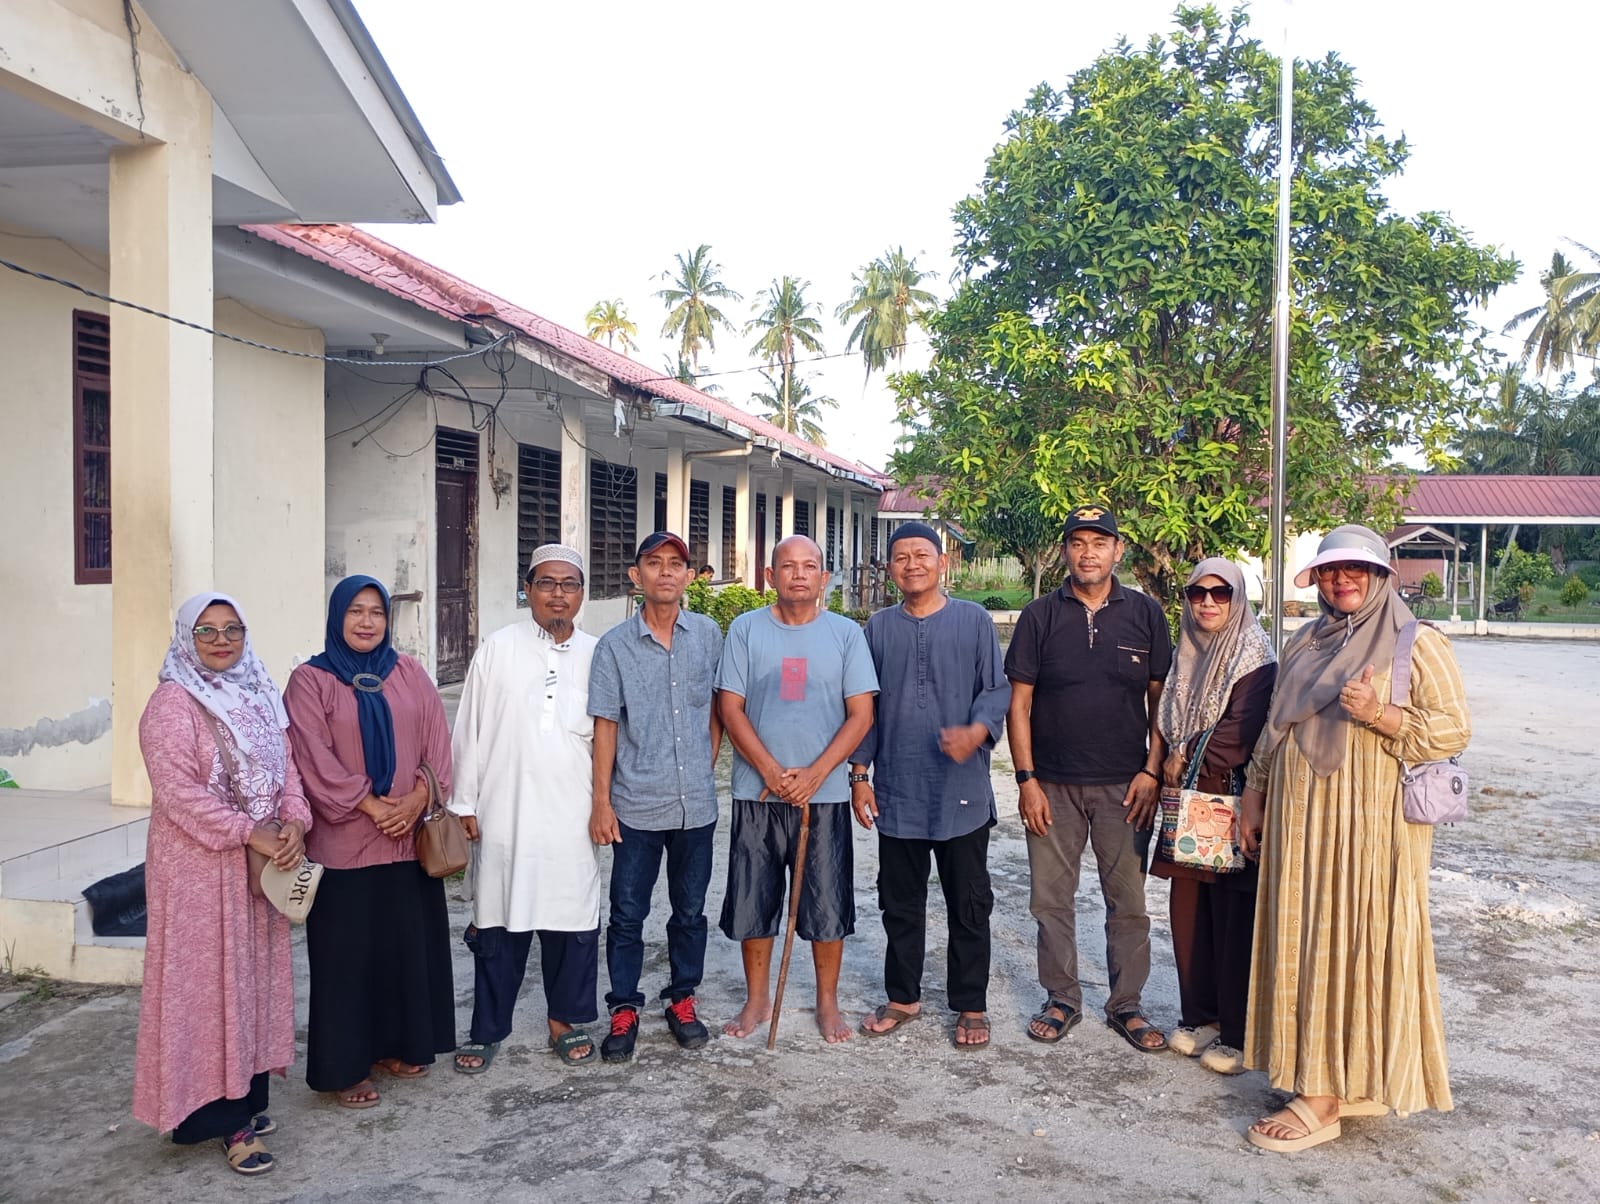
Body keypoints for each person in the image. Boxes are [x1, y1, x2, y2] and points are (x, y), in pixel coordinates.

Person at [1241, 524, 1470, 1152]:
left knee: (1360, 937)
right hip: (1299, 822)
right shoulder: (1304, 640)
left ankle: (1323, 1096)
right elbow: (1275, 725)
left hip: (1372, 829)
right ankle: (1331, 1077)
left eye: (1356, 570)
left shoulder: (1415, 642)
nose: (1342, 580)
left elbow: (1453, 730)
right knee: (1307, 935)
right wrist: (1254, 795)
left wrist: (1379, 713)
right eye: (1330, 570)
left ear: (1381, 577)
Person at [133, 593, 310, 1175]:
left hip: (259, 868)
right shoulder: (172, 702)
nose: (220, 640)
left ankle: (248, 1098)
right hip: (199, 874)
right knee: (208, 989)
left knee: (251, 982)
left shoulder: (257, 691)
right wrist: (248, 832)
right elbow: (176, 792)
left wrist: (294, 822)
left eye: (232, 629)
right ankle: (222, 1119)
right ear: (186, 637)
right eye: (206, 631)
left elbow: (288, 770)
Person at [1005, 505, 1173, 1051]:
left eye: (1100, 543)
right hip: (1051, 785)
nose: (1088, 553)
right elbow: (1019, 705)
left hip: (1125, 787)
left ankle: (1126, 1005)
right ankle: (1062, 999)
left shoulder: (1146, 614)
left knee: (1128, 903)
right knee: (1050, 901)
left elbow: (1160, 703)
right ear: (1065, 551)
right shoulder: (1039, 616)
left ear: (1118, 550)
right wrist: (1026, 780)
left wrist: (1151, 770)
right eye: (1077, 542)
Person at [284, 576, 455, 1108]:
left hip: (407, 841)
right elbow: (312, 757)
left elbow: (437, 744)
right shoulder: (310, 681)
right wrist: (375, 806)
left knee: (403, 951)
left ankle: (396, 1047)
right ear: (337, 616)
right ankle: (347, 1067)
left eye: (376, 612)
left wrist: (416, 798)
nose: (366, 621)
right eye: (355, 611)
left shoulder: (409, 673)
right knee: (347, 960)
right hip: (345, 847)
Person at [849, 522, 1011, 1050]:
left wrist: (978, 730)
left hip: (961, 792)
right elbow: (865, 709)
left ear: (943, 563)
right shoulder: (877, 628)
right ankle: (903, 997)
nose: (912, 564)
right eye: (901, 557)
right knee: (899, 902)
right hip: (899, 789)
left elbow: (996, 689)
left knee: (969, 903)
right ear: (889, 568)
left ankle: (971, 1004)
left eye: (922, 555)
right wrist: (860, 775)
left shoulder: (973, 620)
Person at [718, 535, 878, 1043]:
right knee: (754, 899)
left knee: (826, 902)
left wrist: (816, 774)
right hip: (758, 792)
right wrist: (768, 770)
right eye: (788, 566)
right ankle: (757, 999)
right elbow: (730, 707)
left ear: (824, 577)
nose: (799, 574)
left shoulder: (846, 634)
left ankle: (827, 1003)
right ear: (770, 576)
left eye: (810, 566)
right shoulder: (746, 629)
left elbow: (861, 714)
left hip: (823, 795)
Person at [450, 544, 602, 1072]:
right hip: (504, 810)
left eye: (569, 584)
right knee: (498, 918)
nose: (558, 594)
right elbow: (468, 729)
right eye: (546, 583)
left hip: (572, 815)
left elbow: (609, 739)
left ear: (582, 594)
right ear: (527, 589)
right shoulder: (498, 648)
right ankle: (488, 1029)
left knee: (571, 917)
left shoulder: (598, 654)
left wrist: (605, 805)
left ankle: (565, 1020)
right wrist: (464, 801)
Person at [589, 532, 724, 1061]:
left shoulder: (708, 635)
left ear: (689, 576)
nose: (665, 572)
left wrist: (704, 763)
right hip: (636, 805)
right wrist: (602, 802)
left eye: (675, 564)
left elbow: (718, 708)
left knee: (689, 911)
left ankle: (682, 998)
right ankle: (624, 1006)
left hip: (696, 806)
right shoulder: (614, 646)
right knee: (627, 913)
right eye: (654, 563)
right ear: (636, 575)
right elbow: (605, 725)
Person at [1152, 558, 1277, 1075]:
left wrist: (1184, 753)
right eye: (1197, 593)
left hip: (1232, 803)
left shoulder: (1255, 655)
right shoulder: (1187, 652)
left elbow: (1242, 734)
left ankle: (1237, 1031)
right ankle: (1199, 1015)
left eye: (1220, 593)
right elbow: (1163, 718)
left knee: (1232, 918)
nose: (1207, 602)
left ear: (1238, 598)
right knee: (1188, 913)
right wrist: (1169, 760)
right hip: (1188, 804)